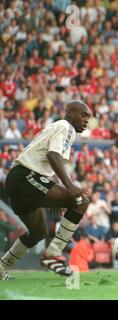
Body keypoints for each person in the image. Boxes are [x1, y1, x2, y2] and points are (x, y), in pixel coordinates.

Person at [0, 100, 92, 280]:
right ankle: (54, 253)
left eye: (88, 117)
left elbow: (47, 158)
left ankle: (1, 267)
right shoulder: (66, 127)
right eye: (83, 115)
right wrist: (68, 186)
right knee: (81, 201)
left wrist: (55, 192)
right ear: (69, 113)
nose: (86, 120)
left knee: (38, 232)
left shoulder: (58, 127)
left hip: (18, 179)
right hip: (25, 177)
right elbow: (53, 155)